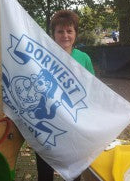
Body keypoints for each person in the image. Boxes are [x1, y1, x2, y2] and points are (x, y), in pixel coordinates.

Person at [36, 10, 94, 181]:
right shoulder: (42, 56)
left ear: (75, 33)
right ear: (53, 34)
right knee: (44, 171)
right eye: (60, 31)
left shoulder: (83, 58)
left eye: (69, 31)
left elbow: (93, 90)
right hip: (47, 123)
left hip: (73, 124)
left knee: (74, 170)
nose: (65, 35)